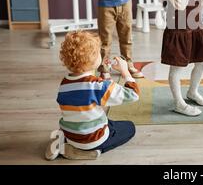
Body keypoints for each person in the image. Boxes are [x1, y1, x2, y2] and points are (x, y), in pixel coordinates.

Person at [45, 31, 140, 160]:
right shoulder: (97, 86)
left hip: (71, 133)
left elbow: (88, 91)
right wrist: (125, 72)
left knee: (105, 122)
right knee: (129, 127)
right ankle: (84, 151)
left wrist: (107, 79)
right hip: (91, 139)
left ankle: (59, 141)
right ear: (95, 59)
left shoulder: (65, 82)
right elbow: (133, 95)